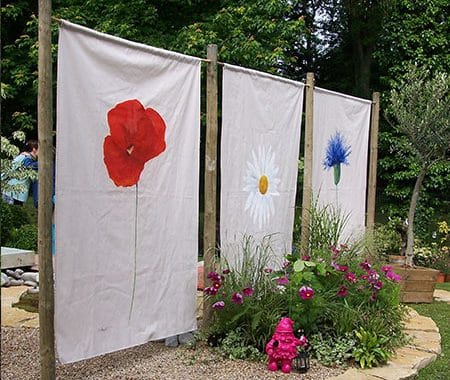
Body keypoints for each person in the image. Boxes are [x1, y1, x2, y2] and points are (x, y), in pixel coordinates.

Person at [2, 139, 39, 205]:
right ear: (34, 149)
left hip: (18, 195)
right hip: (12, 194)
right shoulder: (22, 157)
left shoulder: (31, 160)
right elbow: (9, 169)